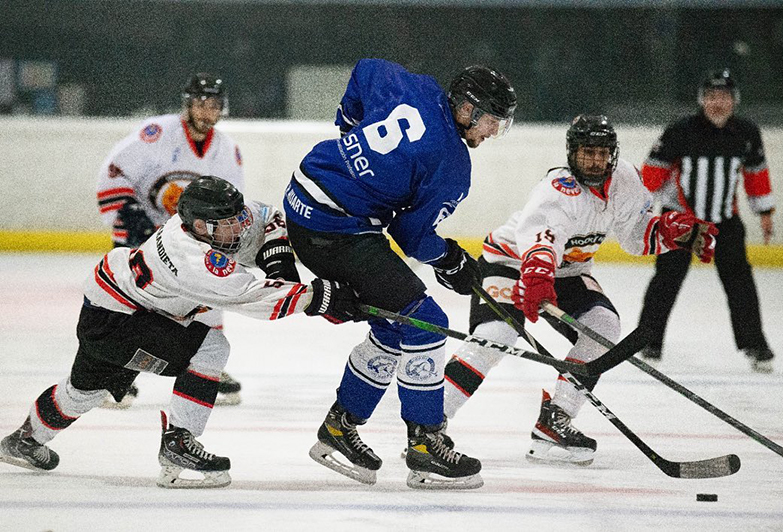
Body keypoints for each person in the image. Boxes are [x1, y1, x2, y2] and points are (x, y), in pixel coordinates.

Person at [0, 176, 362, 488]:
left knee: (86, 390)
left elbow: (266, 217)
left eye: (236, 217)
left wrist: (278, 259)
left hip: (112, 304)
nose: (238, 227)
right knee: (210, 348)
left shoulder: (203, 223)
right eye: (227, 222)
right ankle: (179, 445)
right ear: (201, 226)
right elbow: (250, 297)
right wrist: (319, 296)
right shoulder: (191, 257)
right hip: (118, 320)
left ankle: (24, 441)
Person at [283, 59, 516, 489]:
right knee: (428, 322)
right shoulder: (452, 164)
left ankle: (340, 427)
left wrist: (348, 126)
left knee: (396, 324)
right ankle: (425, 445)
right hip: (335, 227)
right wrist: (450, 260)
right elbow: (409, 235)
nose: (490, 134)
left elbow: (365, 69)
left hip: (304, 190)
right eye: (491, 123)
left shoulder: (417, 87)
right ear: (467, 110)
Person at [441, 115, 717, 465]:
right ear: (572, 152)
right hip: (511, 263)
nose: (596, 161)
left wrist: (669, 231)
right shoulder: (558, 189)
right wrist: (538, 278)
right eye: (588, 152)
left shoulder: (625, 181)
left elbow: (635, 235)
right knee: (496, 336)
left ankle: (555, 419)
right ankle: (430, 424)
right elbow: (542, 239)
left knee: (604, 327)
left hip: (569, 272)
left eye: (603, 154)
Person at [96, 72, 246, 406]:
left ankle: (205, 366)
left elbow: (231, 206)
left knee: (209, 287)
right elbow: (113, 170)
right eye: (202, 103)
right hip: (141, 229)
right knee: (135, 299)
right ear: (188, 104)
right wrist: (126, 215)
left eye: (215, 105)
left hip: (182, 238)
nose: (208, 111)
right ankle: (111, 370)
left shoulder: (227, 151)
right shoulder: (158, 134)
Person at [637, 68, 777, 373]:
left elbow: (756, 174)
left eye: (724, 96)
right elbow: (653, 172)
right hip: (681, 222)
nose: (718, 103)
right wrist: (639, 208)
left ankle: (755, 344)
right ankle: (647, 340)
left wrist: (764, 213)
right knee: (666, 280)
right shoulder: (680, 130)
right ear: (702, 100)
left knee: (740, 284)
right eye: (712, 96)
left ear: (734, 101)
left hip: (725, 222)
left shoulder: (746, 133)